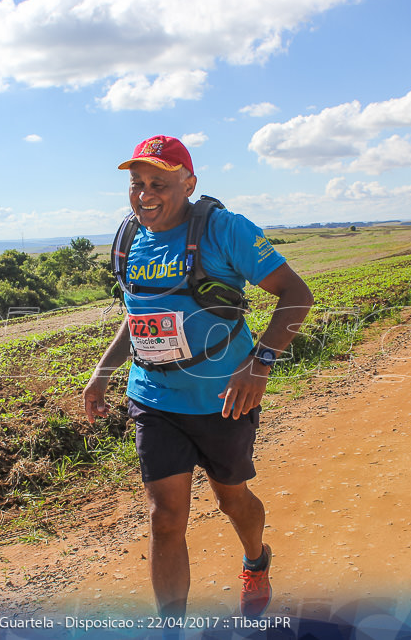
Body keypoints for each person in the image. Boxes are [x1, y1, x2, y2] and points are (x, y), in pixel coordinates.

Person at [82, 135, 314, 620]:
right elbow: (138, 314)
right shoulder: (129, 236)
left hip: (223, 399)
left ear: (188, 183)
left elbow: (296, 294)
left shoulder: (224, 229)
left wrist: (259, 364)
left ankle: (256, 559)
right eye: (137, 183)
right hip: (154, 396)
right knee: (165, 517)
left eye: (159, 183)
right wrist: (102, 373)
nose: (145, 193)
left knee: (232, 501)